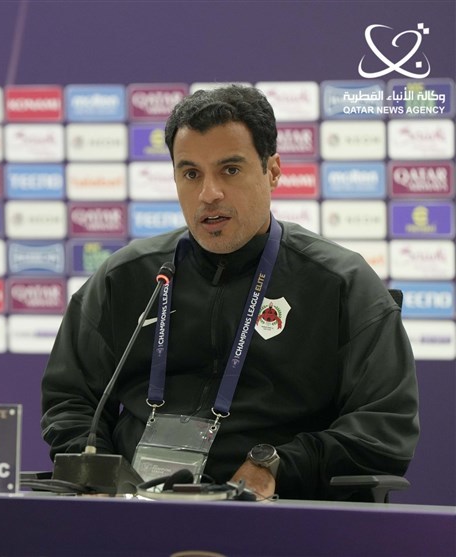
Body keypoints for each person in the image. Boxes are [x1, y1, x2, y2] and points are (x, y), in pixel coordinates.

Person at [40, 85, 420, 500]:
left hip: (281, 513)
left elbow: (385, 426)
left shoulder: (339, 283)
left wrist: (277, 466)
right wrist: (100, 474)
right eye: (191, 174)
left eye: (230, 170)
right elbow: (70, 400)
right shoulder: (127, 276)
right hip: (136, 510)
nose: (209, 194)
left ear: (273, 171)